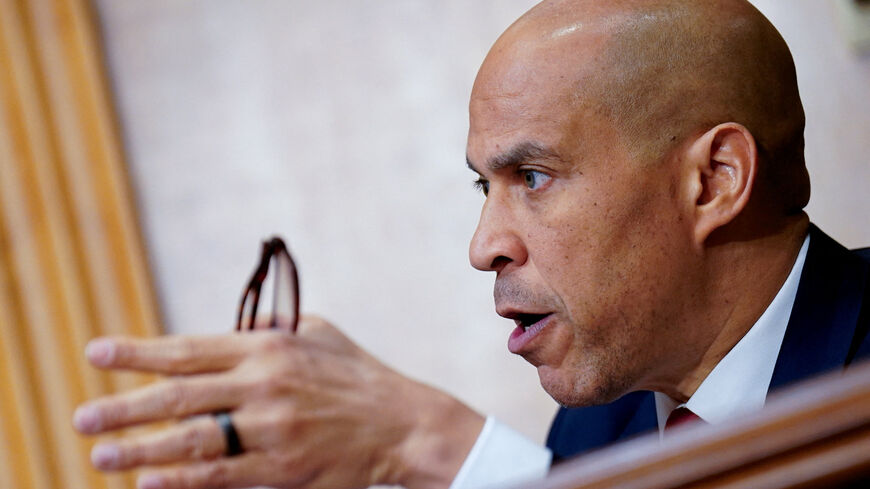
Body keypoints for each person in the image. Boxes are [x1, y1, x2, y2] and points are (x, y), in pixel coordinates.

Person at [73, 0, 870, 488]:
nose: (484, 244)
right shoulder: (601, 424)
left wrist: (433, 447)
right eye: (481, 188)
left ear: (714, 180)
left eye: (532, 175)